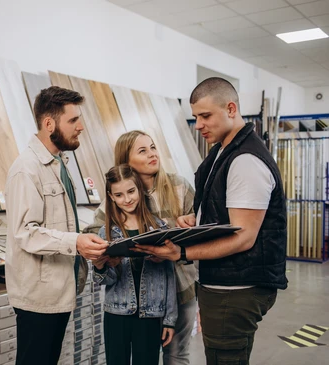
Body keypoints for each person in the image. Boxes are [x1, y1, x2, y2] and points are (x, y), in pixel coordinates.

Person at [137, 77, 287, 365]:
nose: (199, 125)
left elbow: (243, 236)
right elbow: (228, 213)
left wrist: (180, 252)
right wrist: (199, 218)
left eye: (205, 116)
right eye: (195, 117)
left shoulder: (246, 160)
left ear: (231, 108)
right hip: (224, 283)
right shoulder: (222, 152)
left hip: (237, 287)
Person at [5, 86, 109, 365]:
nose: (81, 127)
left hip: (59, 289)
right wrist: (75, 242)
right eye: (73, 120)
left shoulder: (58, 163)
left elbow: (60, 222)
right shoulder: (26, 169)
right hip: (39, 295)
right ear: (48, 123)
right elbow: (25, 232)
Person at [88, 130, 197, 365]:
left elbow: (202, 228)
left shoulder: (179, 186)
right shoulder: (117, 200)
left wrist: (190, 224)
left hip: (181, 287)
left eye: (153, 147)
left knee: (176, 355)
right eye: (143, 150)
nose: (152, 154)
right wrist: (103, 256)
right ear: (126, 161)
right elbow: (93, 236)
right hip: (133, 300)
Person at [93, 164, 177, 365]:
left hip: (151, 314)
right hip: (116, 313)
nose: (127, 199)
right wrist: (101, 267)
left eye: (131, 191)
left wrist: (170, 319)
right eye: (119, 195)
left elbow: (170, 275)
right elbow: (105, 280)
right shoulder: (106, 233)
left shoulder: (159, 228)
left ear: (139, 189)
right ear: (111, 197)